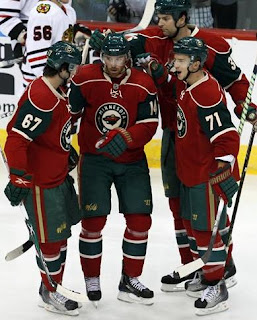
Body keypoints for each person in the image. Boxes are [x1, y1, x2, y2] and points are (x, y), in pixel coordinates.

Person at [89, 0, 257, 293]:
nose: (160, 24)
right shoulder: (155, 38)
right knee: (179, 204)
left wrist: (248, 107)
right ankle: (193, 266)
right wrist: (106, 38)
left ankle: (222, 265)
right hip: (173, 134)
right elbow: (126, 45)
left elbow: (235, 82)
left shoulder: (210, 46)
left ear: (182, 18)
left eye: (165, 18)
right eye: (159, 17)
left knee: (206, 205)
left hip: (202, 139)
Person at [69, 33, 159, 305]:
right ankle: (91, 277)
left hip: (132, 162)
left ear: (127, 58)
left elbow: (150, 121)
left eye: (119, 58)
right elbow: (68, 114)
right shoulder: (85, 77)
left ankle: (129, 279)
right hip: (95, 160)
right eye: (108, 57)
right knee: (93, 223)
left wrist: (127, 138)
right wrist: (61, 146)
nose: (114, 63)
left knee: (140, 221)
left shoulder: (144, 83)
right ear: (102, 57)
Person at [4, 41, 82, 316]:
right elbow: (15, 141)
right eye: (71, 67)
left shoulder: (57, 91)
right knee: (50, 241)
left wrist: (64, 151)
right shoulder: (43, 97)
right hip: (41, 184)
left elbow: (49, 133)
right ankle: (50, 291)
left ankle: (53, 283)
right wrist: (20, 178)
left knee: (60, 238)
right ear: (60, 68)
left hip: (58, 176)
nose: (73, 72)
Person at [172, 36, 239, 315]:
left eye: (180, 61)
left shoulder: (207, 93)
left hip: (205, 175)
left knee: (204, 232)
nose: (175, 65)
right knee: (193, 227)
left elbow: (227, 135)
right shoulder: (189, 85)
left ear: (196, 64)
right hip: (189, 172)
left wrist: (223, 168)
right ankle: (213, 271)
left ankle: (217, 285)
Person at [20, 0, 90, 89]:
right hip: (40, 85)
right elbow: (38, 60)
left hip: (60, 80)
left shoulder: (68, 10)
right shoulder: (43, 13)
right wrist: (54, 84)